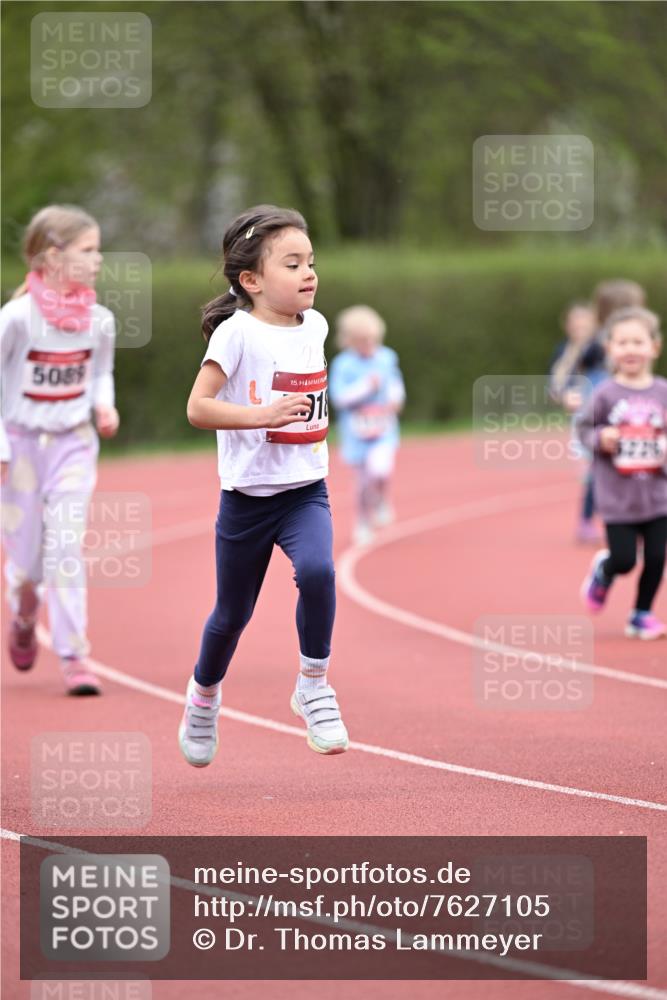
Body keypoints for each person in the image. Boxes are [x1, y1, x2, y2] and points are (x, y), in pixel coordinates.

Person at [179, 204, 349, 767]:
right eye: (293, 263)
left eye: (311, 261)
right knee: (231, 614)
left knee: (321, 572)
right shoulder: (235, 334)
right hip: (248, 500)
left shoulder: (318, 325)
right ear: (250, 280)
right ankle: (204, 698)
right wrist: (262, 416)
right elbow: (198, 408)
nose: (309, 273)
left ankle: (313, 685)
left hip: (305, 491)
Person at [0, 204, 119, 693]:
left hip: (74, 444)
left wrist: (104, 407)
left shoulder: (100, 320)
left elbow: (99, 372)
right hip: (22, 450)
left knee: (66, 548)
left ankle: (74, 657)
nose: (98, 260)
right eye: (88, 250)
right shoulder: (16, 319)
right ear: (53, 256)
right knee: (28, 566)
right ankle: (25, 612)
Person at [578, 306, 667, 639]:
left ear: (654, 347)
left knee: (658, 557)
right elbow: (584, 430)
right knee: (626, 560)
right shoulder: (604, 393)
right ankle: (605, 570)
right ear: (610, 349)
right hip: (618, 498)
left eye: (638, 342)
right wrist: (602, 437)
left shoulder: (662, 392)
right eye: (622, 342)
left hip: (658, 495)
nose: (630, 349)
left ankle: (641, 614)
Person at [329, 305, 405, 545]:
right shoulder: (343, 364)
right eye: (362, 340)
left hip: (383, 428)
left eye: (372, 339)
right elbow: (339, 398)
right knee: (362, 481)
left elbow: (395, 383)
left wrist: (395, 399)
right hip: (356, 432)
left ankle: (382, 498)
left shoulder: (386, 357)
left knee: (380, 470)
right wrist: (365, 387)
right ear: (349, 340)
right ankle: (362, 521)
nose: (369, 344)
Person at [548, 302, 599, 543]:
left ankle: (603, 518)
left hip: (606, 416)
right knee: (592, 472)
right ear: (566, 325)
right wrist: (562, 395)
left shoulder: (600, 348)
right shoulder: (562, 351)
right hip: (582, 420)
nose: (580, 327)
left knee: (602, 470)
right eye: (575, 322)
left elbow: (593, 358)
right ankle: (587, 521)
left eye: (585, 322)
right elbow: (554, 384)